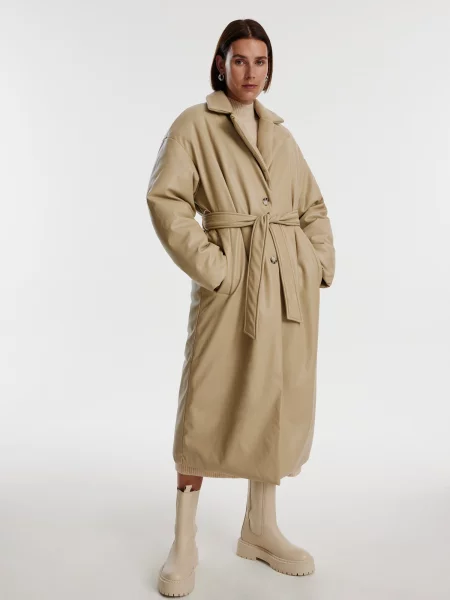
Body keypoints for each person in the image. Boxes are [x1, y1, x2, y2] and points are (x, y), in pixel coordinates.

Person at [146, 18, 335, 597]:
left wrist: (317, 263)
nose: (251, 72)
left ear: (269, 68)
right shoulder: (194, 125)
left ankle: (260, 528)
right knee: (206, 401)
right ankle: (184, 542)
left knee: (276, 398)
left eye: (260, 61)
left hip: (287, 288)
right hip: (233, 287)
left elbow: (312, 205)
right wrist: (217, 269)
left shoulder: (280, 133)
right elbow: (166, 200)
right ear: (220, 63)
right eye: (240, 60)